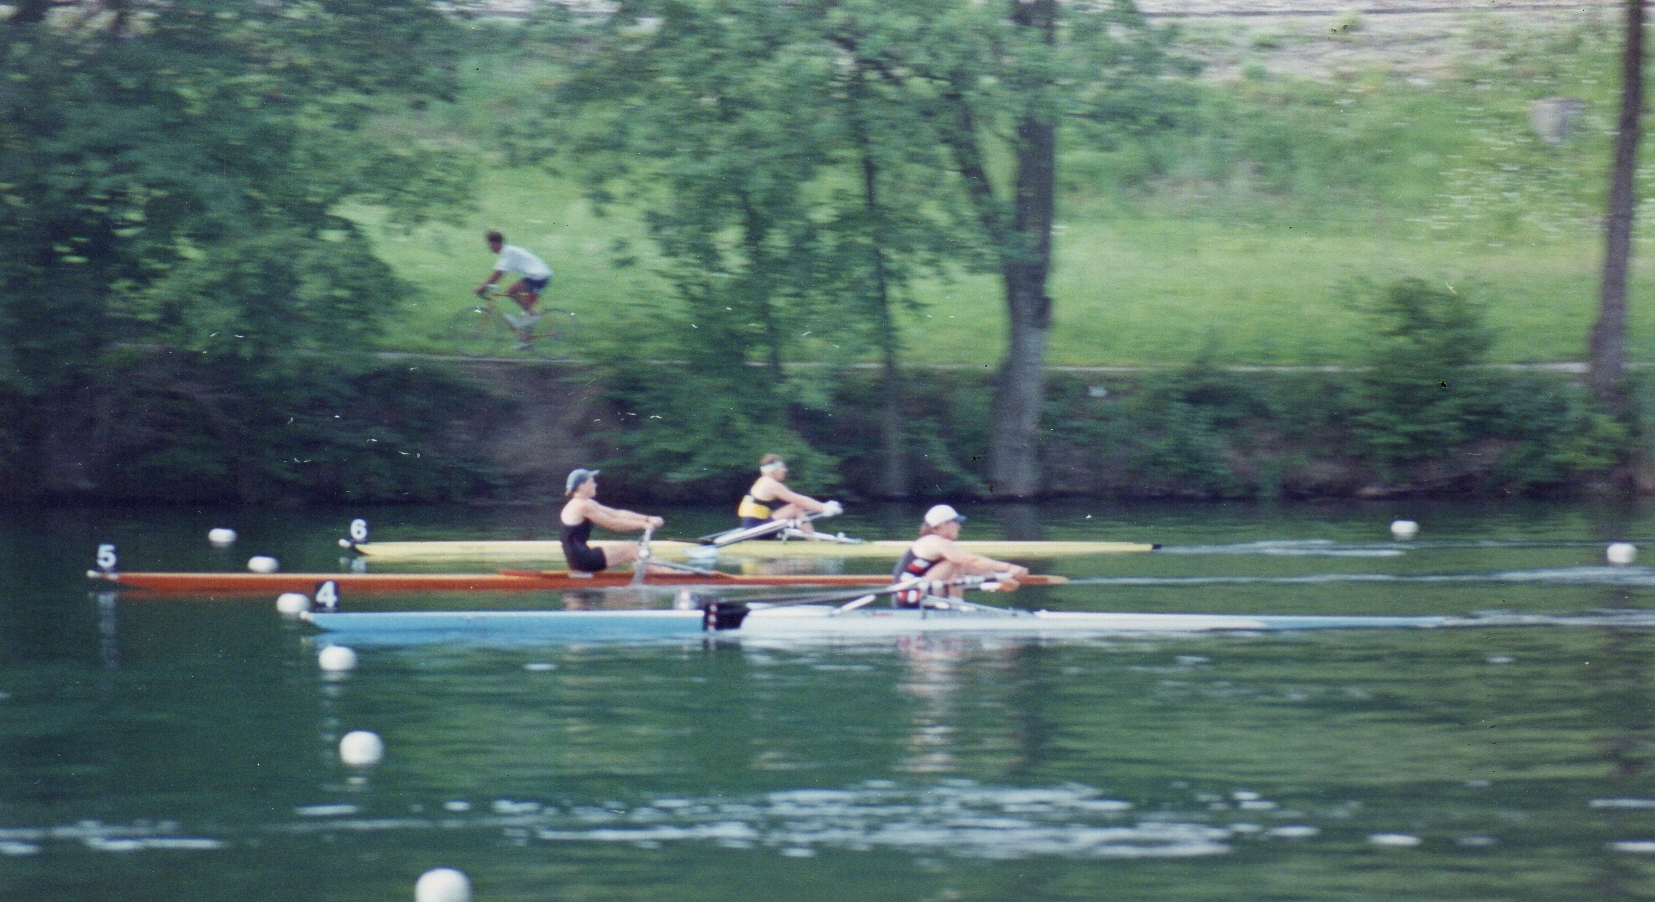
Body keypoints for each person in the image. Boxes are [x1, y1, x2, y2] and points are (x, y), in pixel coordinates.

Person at [891, 504, 1029, 608]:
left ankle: (952, 607)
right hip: (908, 596)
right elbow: (971, 561)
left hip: (911, 595)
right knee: (956, 562)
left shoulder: (938, 545)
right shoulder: (934, 541)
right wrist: (1009, 567)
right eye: (957, 522)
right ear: (945, 524)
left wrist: (999, 579)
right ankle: (955, 607)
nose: (959, 527)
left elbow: (970, 569)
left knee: (958, 564)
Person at [559, 468, 664, 574]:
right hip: (582, 560)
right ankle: (673, 578)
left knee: (633, 548)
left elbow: (616, 514)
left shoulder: (585, 502)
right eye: (592, 481)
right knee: (632, 549)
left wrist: (647, 519)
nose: (595, 485)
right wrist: (644, 525)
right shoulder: (581, 505)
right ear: (582, 486)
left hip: (580, 557)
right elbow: (613, 523)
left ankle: (664, 574)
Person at [736, 454, 841, 537]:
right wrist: (824, 508)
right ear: (774, 470)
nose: (785, 470)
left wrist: (821, 506)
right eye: (782, 467)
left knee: (796, 509)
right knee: (796, 508)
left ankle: (812, 540)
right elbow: (800, 501)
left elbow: (802, 500)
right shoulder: (770, 484)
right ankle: (813, 543)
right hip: (755, 531)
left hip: (753, 527)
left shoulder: (764, 482)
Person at [477, 231, 553, 343]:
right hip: (541, 275)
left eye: (490, 244)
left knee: (511, 290)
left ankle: (532, 315)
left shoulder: (508, 253)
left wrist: (482, 288)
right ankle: (526, 342)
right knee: (525, 313)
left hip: (539, 276)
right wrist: (486, 285)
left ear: (496, 243)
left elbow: (497, 274)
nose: (489, 247)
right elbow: (498, 273)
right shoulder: (508, 251)